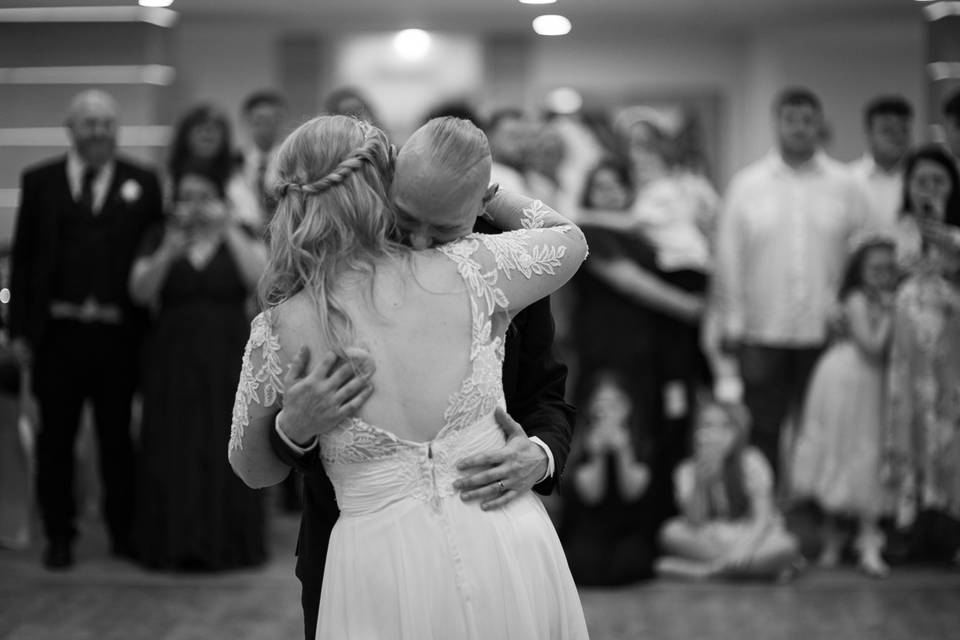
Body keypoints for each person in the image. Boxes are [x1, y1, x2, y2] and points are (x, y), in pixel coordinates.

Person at [229, 115, 589, 638]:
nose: (422, 240)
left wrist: (540, 454)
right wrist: (293, 426)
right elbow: (570, 238)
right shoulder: (480, 269)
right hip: (367, 564)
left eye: (442, 226)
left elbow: (544, 392)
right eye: (407, 217)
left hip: (495, 545)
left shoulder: (478, 263)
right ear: (385, 185)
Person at [9, 90, 163, 569]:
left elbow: (152, 255)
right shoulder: (40, 182)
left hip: (120, 336)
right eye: (89, 123)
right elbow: (25, 258)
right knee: (57, 439)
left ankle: (123, 531)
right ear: (70, 129)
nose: (98, 131)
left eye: (106, 123)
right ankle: (59, 534)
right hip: (58, 333)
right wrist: (20, 331)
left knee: (118, 438)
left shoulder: (143, 181)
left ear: (116, 130)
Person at [713, 87, 869, 481]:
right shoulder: (746, 185)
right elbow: (728, 260)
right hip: (761, 330)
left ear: (819, 125)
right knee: (763, 427)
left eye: (807, 120)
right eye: (791, 119)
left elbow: (862, 256)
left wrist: (852, 312)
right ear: (776, 123)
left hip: (827, 332)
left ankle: (815, 516)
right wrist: (733, 322)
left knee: (824, 426)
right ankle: (769, 513)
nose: (799, 128)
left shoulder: (845, 185)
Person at [129, 167, 268, 570]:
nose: (195, 205)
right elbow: (139, 292)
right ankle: (173, 542)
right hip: (173, 356)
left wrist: (226, 229)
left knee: (223, 438)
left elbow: (260, 281)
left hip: (227, 353)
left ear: (219, 199)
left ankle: (227, 543)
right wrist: (169, 251)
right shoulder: (159, 235)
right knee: (175, 442)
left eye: (203, 196)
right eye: (186, 197)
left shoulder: (236, 232)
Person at [791, 237, 898, 577]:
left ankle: (866, 537)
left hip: (872, 383)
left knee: (869, 451)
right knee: (845, 451)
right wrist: (892, 312)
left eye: (889, 268)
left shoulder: (879, 299)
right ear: (859, 271)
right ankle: (836, 538)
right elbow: (872, 346)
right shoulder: (856, 300)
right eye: (875, 269)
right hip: (849, 381)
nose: (882, 275)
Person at [885, 145, 960, 566]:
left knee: (951, 433)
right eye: (920, 182)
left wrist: (949, 240)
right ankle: (913, 525)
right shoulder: (895, 230)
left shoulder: (954, 232)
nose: (928, 189)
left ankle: (952, 526)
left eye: (938, 181)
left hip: (953, 352)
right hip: (907, 353)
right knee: (910, 426)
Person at [657, 400, 801, 581]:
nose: (715, 434)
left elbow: (762, 519)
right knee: (671, 532)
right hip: (712, 537)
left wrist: (744, 548)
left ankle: (708, 571)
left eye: (724, 426)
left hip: (749, 536)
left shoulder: (751, 462)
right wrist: (701, 482)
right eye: (707, 425)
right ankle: (761, 569)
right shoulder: (687, 470)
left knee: (787, 544)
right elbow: (694, 521)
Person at [560, 372, 655, 586]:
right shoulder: (580, 443)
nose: (609, 411)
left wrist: (623, 451)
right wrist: (598, 455)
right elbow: (591, 495)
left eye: (616, 403)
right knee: (585, 561)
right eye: (602, 403)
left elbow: (633, 491)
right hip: (590, 528)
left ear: (628, 406)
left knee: (631, 562)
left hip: (627, 529)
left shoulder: (641, 443)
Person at [168, 104, 262, 229]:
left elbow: (252, 219)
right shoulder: (171, 176)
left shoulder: (238, 174)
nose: (207, 133)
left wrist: (225, 219)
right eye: (200, 128)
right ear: (185, 135)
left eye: (215, 128)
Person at [849, 96, 913, 229]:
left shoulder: (918, 180)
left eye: (904, 130)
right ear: (868, 133)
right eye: (887, 131)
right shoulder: (850, 179)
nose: (898, 137)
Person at [239, 90, 287, 221]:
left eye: (272, 120)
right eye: (259, 120)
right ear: (248, 121)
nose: (265, 127)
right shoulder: (235, 161)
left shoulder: (292, 161)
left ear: (280, 121)